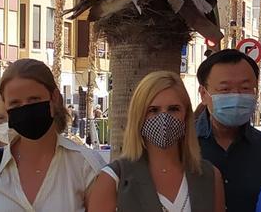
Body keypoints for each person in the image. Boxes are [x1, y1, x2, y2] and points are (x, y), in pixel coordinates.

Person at [0, 58, 104, 212]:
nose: (26, 109)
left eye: (34, 99)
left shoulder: (86, 166)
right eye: (15, 103)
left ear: (54, 98)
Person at [87, 71, 225, 212]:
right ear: (139, 116)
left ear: (186, 115)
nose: (164, 118)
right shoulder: (113, 179)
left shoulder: (210, 176)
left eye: (173, 109)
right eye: (153, 110)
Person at [196, 49, 261, 212]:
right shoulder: (182, 146)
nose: (236, 96)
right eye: (225, 89)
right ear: (203, 94)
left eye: (245, 88)